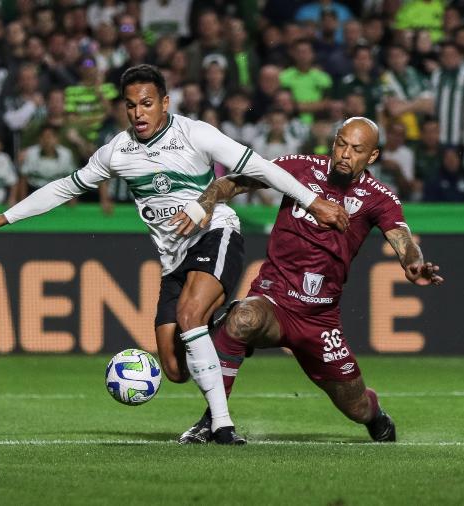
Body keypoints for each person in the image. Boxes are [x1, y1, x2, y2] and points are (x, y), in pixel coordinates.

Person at [0, 64, 348, 445]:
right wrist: (5, 216)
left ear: (164, 102)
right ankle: (229, 322)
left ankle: (222, 426)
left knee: (189, 315)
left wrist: (313, 203)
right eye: (130, 106)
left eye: (146, 103)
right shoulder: (117, 151)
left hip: (216, 233)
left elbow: (259, 166)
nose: (138, 113)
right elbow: (66, 186)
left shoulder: (195, 134)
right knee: (175, 368)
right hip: (172, 259)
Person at [178, 117, 444, 443]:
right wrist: (207, 199)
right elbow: (236, 181)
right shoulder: (300, 168)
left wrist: (413, 263)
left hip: (320, 319)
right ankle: (213, 422)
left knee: (356, 407)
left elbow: (402, 238)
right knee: (243, 318)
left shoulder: (379, 196)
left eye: (356, 149)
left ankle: (376, 418)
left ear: (372, 156)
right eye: (341, 144)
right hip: (273, 299)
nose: (345, 154)